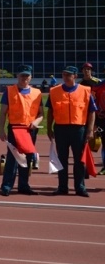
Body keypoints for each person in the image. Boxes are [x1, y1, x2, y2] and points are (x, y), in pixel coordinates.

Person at [46, 66, 96, 197]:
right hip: (60, 129)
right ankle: (62, 187)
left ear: (75, 76)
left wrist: (90, 130)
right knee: (62, 159)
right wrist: (48, 128)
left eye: (69, 75)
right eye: (64, 74)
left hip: (79, 129)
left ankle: (80, 187)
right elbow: (50, 111)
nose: (66, 77)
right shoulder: (54, 91)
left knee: (79, 160)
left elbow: (92, 112)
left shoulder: (85, 91)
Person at [0, 65, 43, 196]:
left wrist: (36, 122)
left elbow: (41, 114)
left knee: (28, 159)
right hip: (14, 128)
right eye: (22, 75)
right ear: (17, 76)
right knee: (12, 158)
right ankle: (7, 186)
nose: (24, 78)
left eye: (27, 76)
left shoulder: (37, 93)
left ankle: (24, 185)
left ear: (31, 77)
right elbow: (3, 113)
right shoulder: (9, 91)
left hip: (30, 130)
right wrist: (1, 130)